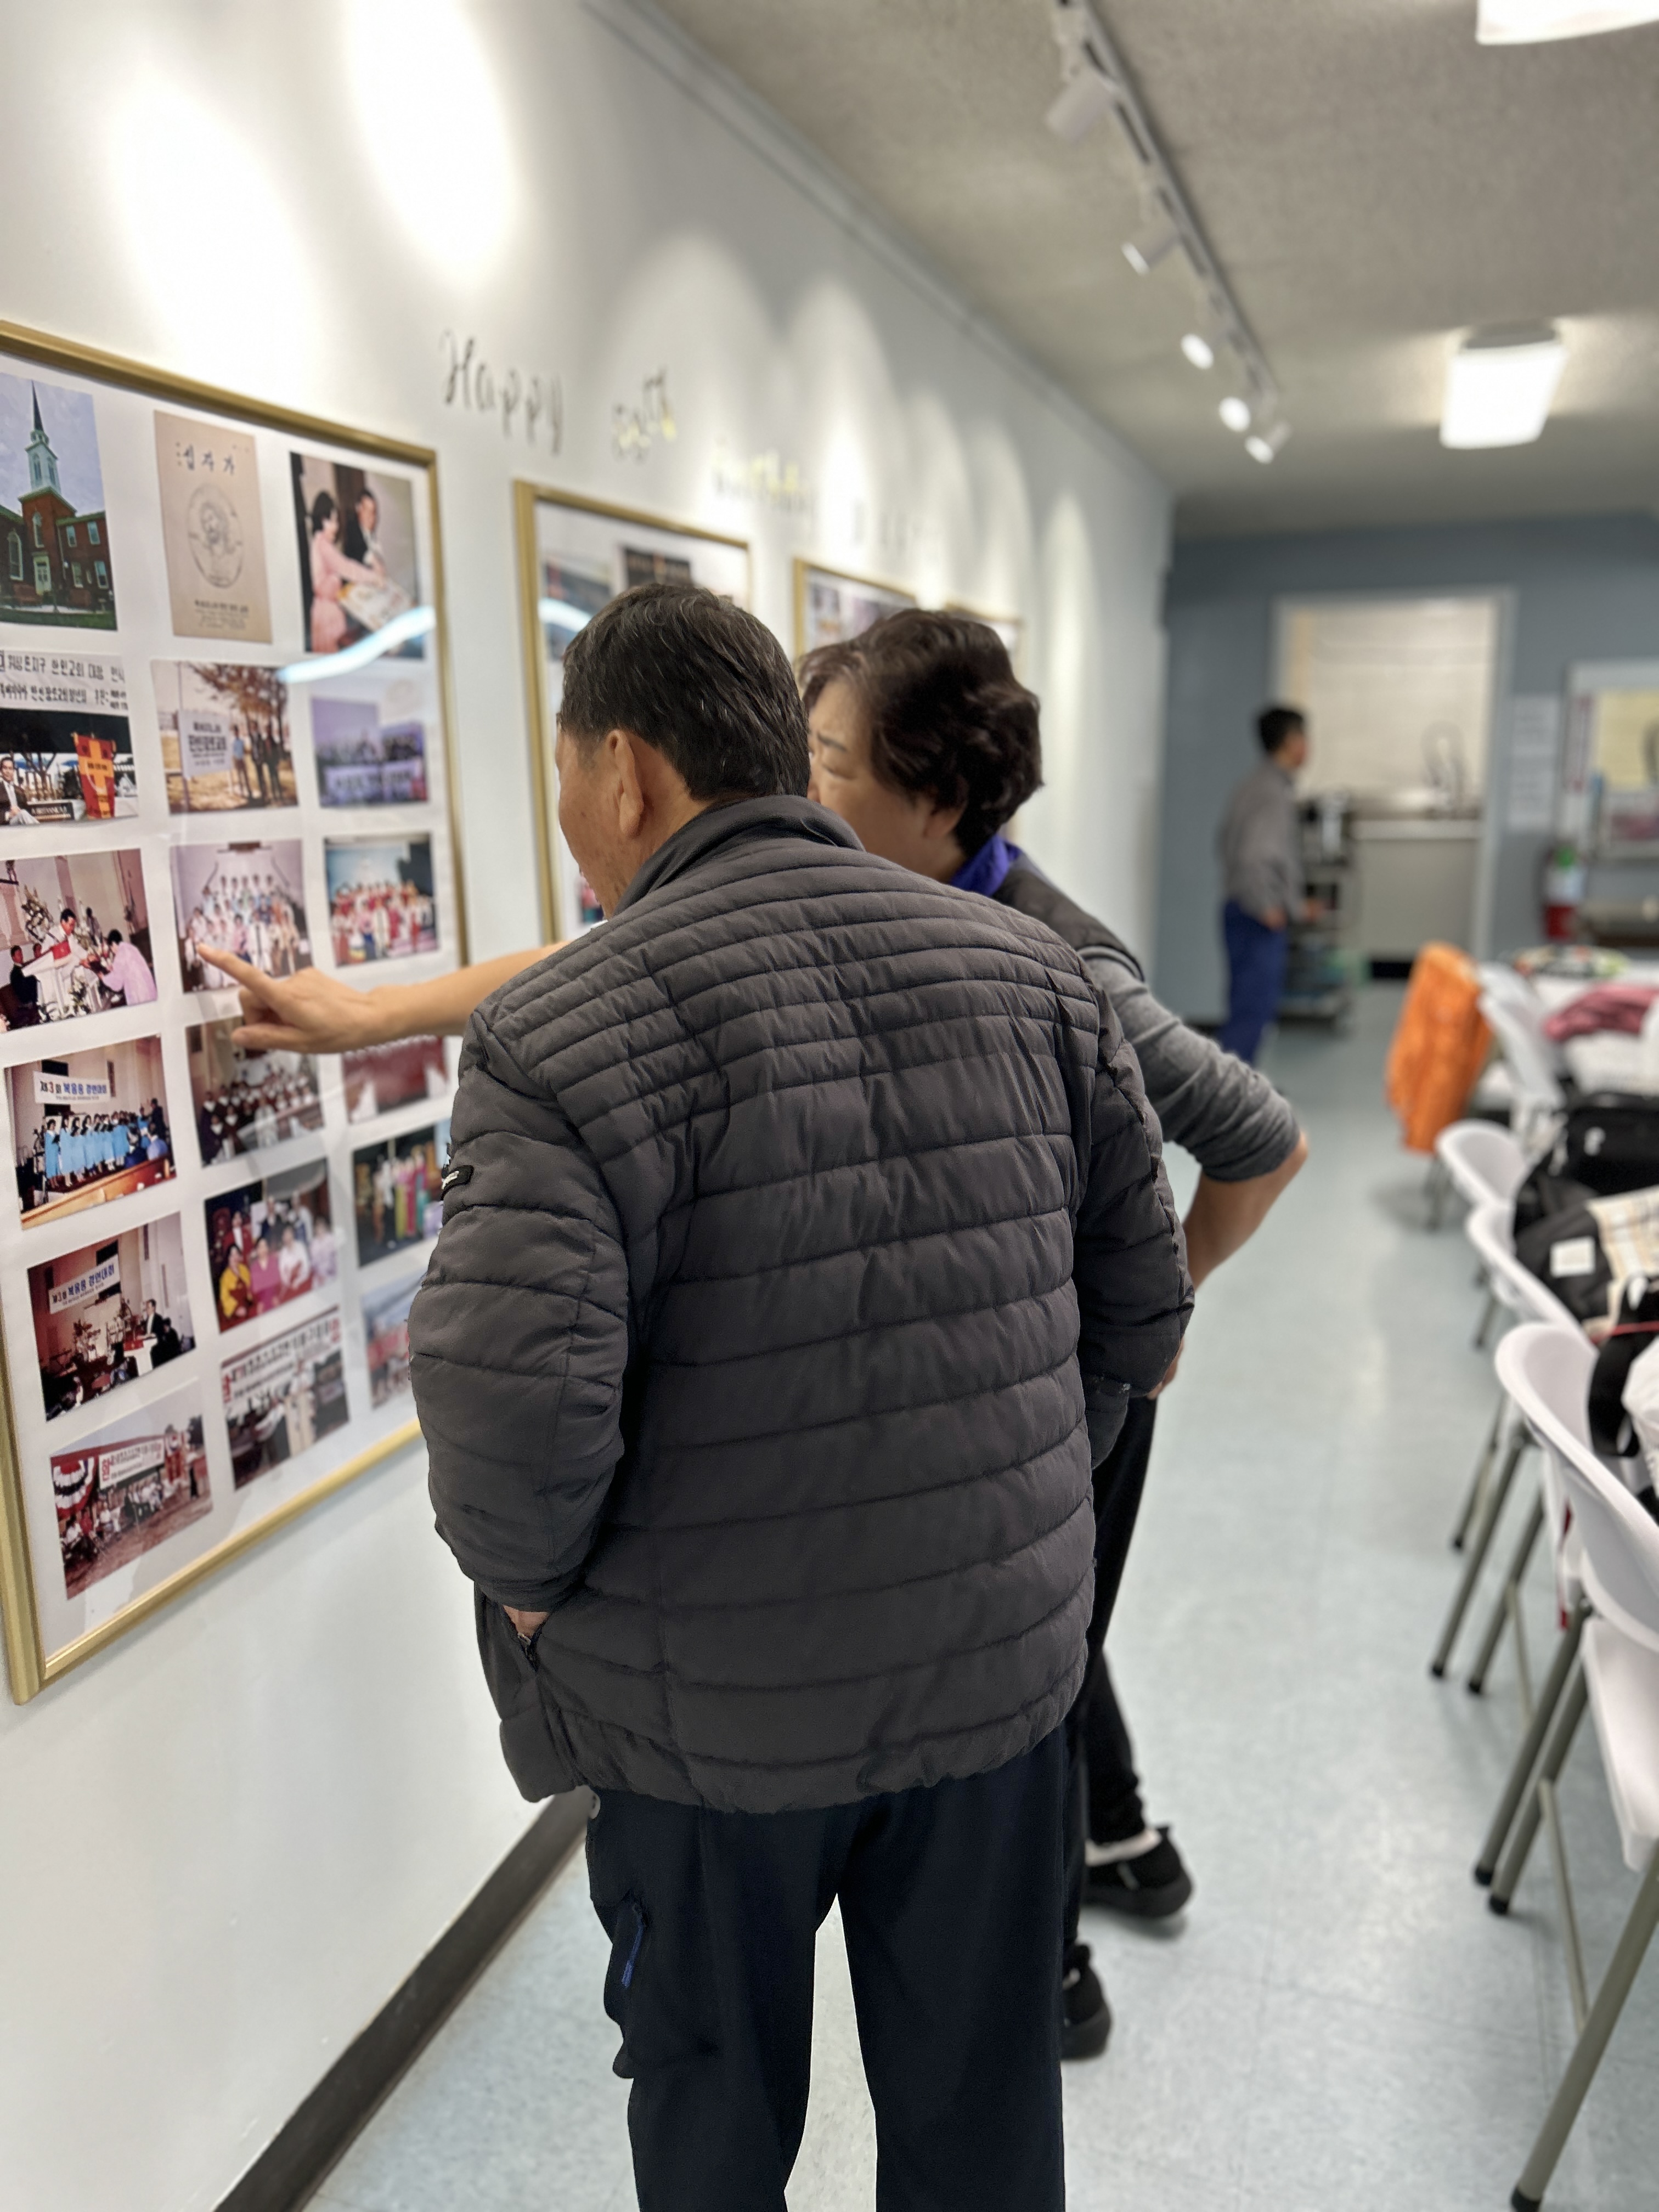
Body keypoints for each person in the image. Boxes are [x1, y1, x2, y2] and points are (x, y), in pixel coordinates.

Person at [400, 580, 1187, 2209]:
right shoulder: (1037, 978)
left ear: (626, 774)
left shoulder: (553, 1038)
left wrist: (545, 1607)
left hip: (704, 1731)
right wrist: (1025, 1519)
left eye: (564, 773)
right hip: (992, 1694)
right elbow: (1140, 1318)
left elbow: (508, 1425)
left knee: (714, 2132)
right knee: (983, 2132)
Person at [1216, 704, 1311, 1065]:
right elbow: (1255, 857)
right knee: (1251, 1014)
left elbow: (1225, 843)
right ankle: (1232, 1094)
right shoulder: (1271, 792)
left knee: (1245, 1009)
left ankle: (1236, 1087)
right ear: (1291, 741)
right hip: (1255, 918)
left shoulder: (1254, 785)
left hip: (1240, 910)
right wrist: (1267, 905)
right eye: (1304, 738)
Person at [306, 490, 379, 654]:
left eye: (337, 521)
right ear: (321, 520)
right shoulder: (323, 545)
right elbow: (347, 568)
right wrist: (374, 578)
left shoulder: (318, 542)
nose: (336, 526)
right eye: (332, 521)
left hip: (324, 611)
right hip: (328, 614)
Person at [100, 929, 157, 1006]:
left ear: (113, 943)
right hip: (146, 984)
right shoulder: (130, 948)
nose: (112, 951)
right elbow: (128, 966)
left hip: (136, 990)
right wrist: (113, 967)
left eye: (111, 948)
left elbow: (117, 983)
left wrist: (104, 978)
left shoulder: (120, 955)